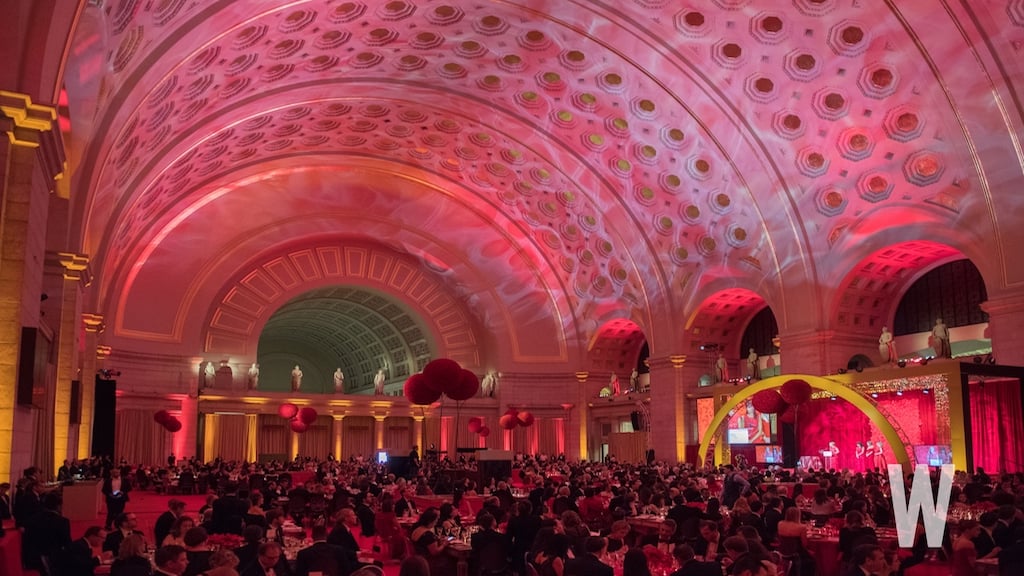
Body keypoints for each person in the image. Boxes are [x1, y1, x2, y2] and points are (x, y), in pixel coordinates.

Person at [23, 491, 73, 572]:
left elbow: (27, 540)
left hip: (36, 556)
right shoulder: (62, 521)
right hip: (55, 557)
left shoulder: (32, 519)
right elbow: (67, 542)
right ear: (58, 506)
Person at [410, 508, 456, 576]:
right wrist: (444, 544)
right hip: (428, 562)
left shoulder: (417, 528)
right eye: (436, 519)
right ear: (431, 520)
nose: (437, 521)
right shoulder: (428, 534)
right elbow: (435, 552)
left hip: (418, 559)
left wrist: (438, 540)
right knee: (453, 561)